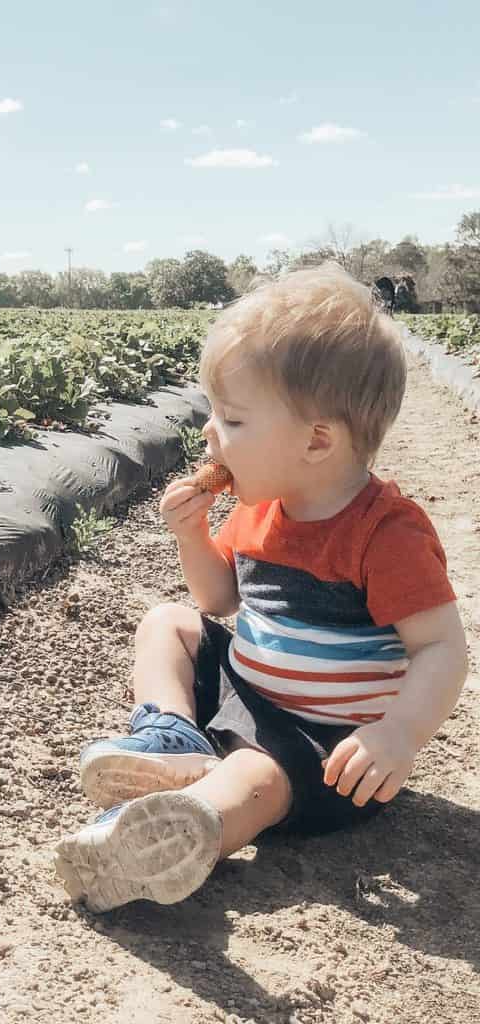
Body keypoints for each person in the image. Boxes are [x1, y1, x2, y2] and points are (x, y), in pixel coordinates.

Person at [53, 262, 470, 912]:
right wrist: (193, 538)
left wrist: (399, 734)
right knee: (168, 622)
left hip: (329, 746)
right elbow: (218, 601)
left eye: (234, 420)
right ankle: (174, 735)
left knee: (253, 777)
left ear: (317, 441)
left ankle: (168, 833)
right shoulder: (260, 507)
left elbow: (442, 646)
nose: (208, 434)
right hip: (246, 693)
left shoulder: (385, 534)